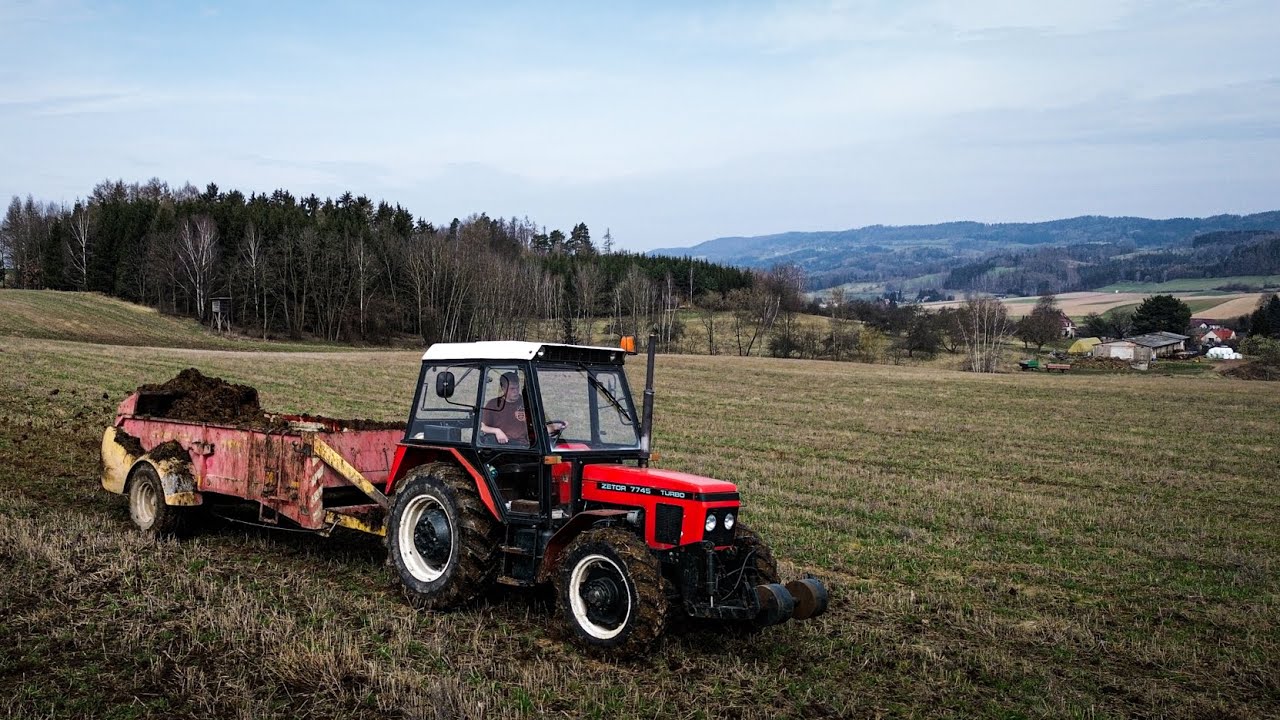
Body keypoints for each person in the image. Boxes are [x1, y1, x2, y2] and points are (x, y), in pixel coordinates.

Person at [479, 371, 569, 445]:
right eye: (512, 389)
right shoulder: (493, 404)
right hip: (502, 447)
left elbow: (539, 428)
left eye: (517, 388)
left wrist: (556, 427)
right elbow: (482, 427)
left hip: (526, 446)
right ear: (503, 388)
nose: (516, 391)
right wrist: (497, 431)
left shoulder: (528, 403)